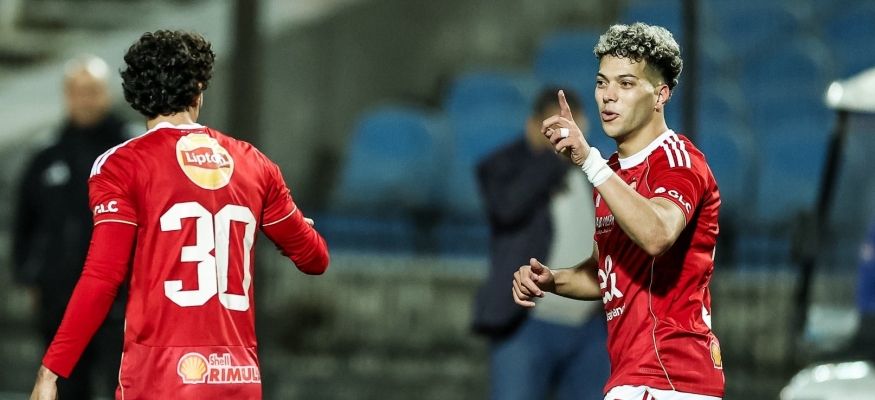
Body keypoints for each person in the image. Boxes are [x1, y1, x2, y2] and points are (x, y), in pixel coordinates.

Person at [29, 30, 330, 400]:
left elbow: (103, 277)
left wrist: (52, 369)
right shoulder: (255, 163)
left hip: (161, 377)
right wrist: (298, 233)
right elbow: (315, 259)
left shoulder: (121, 165)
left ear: (135, 93)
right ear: (198, 89)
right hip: (237, 376)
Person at [511, 23, 725, 400]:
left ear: (660, 95)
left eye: (626, 83)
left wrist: (590, 162)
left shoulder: (678, 160)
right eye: (602, 83)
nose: (608, 96)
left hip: (671, 377)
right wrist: (552, 280)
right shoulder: (612, 175)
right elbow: (605, 274)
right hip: (634, 377)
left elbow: (658, 234)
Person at [473, 87, 609, 400]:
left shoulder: (594, 170)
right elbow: (508, 208)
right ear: (532, 126)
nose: (565, 136)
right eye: (556, 128)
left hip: (589, 329)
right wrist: (555, 157)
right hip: (526, 325)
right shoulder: (504, 166)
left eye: (572, 128)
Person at [13, 55, 129, 400]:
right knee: (66, 387)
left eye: (92, 91)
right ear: (67, 95)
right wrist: (29, 275)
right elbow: (25, 221)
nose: (85, 100)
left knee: (122, 384)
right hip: (60, 297)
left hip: (120, 299)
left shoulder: (131, 149)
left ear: (107, 93)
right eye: (78, 92)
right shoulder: (46, 153)